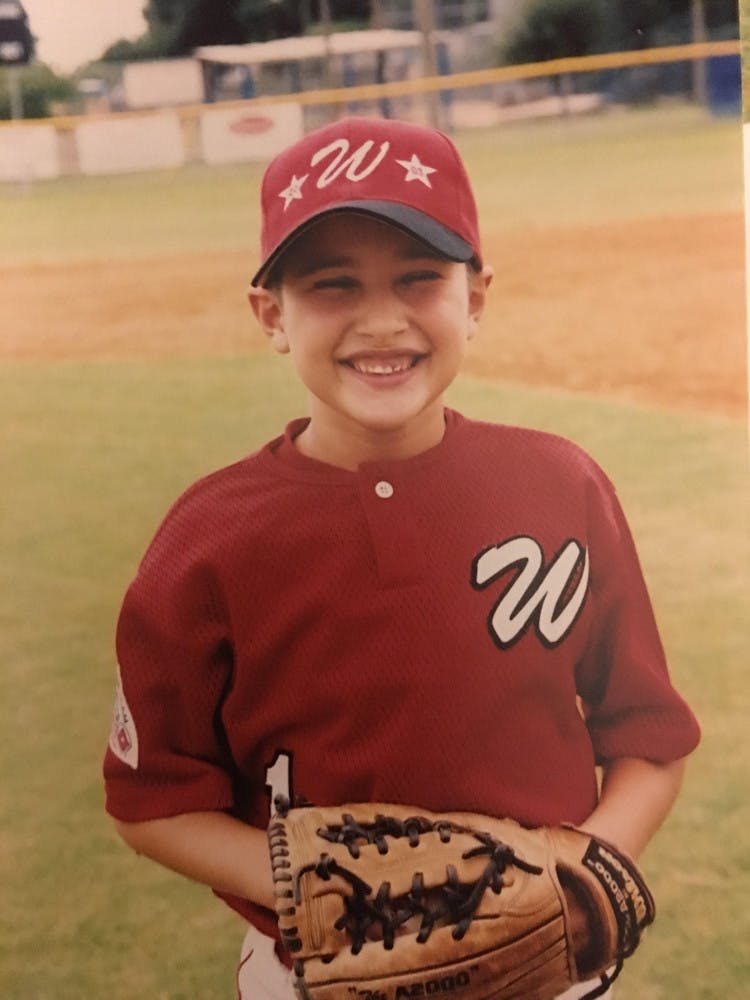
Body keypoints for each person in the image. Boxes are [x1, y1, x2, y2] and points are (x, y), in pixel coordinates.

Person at [103, 116, 700, 999]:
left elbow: (650, 739)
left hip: (551, 972)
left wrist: (590, 863)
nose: (381, 321)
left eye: (420, 278)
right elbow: (154, 800)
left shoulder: (559, 486)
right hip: (312, 976)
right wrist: (336, 894)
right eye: (332, 285)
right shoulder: (211, 536)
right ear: (271, 315)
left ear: (477, 298)